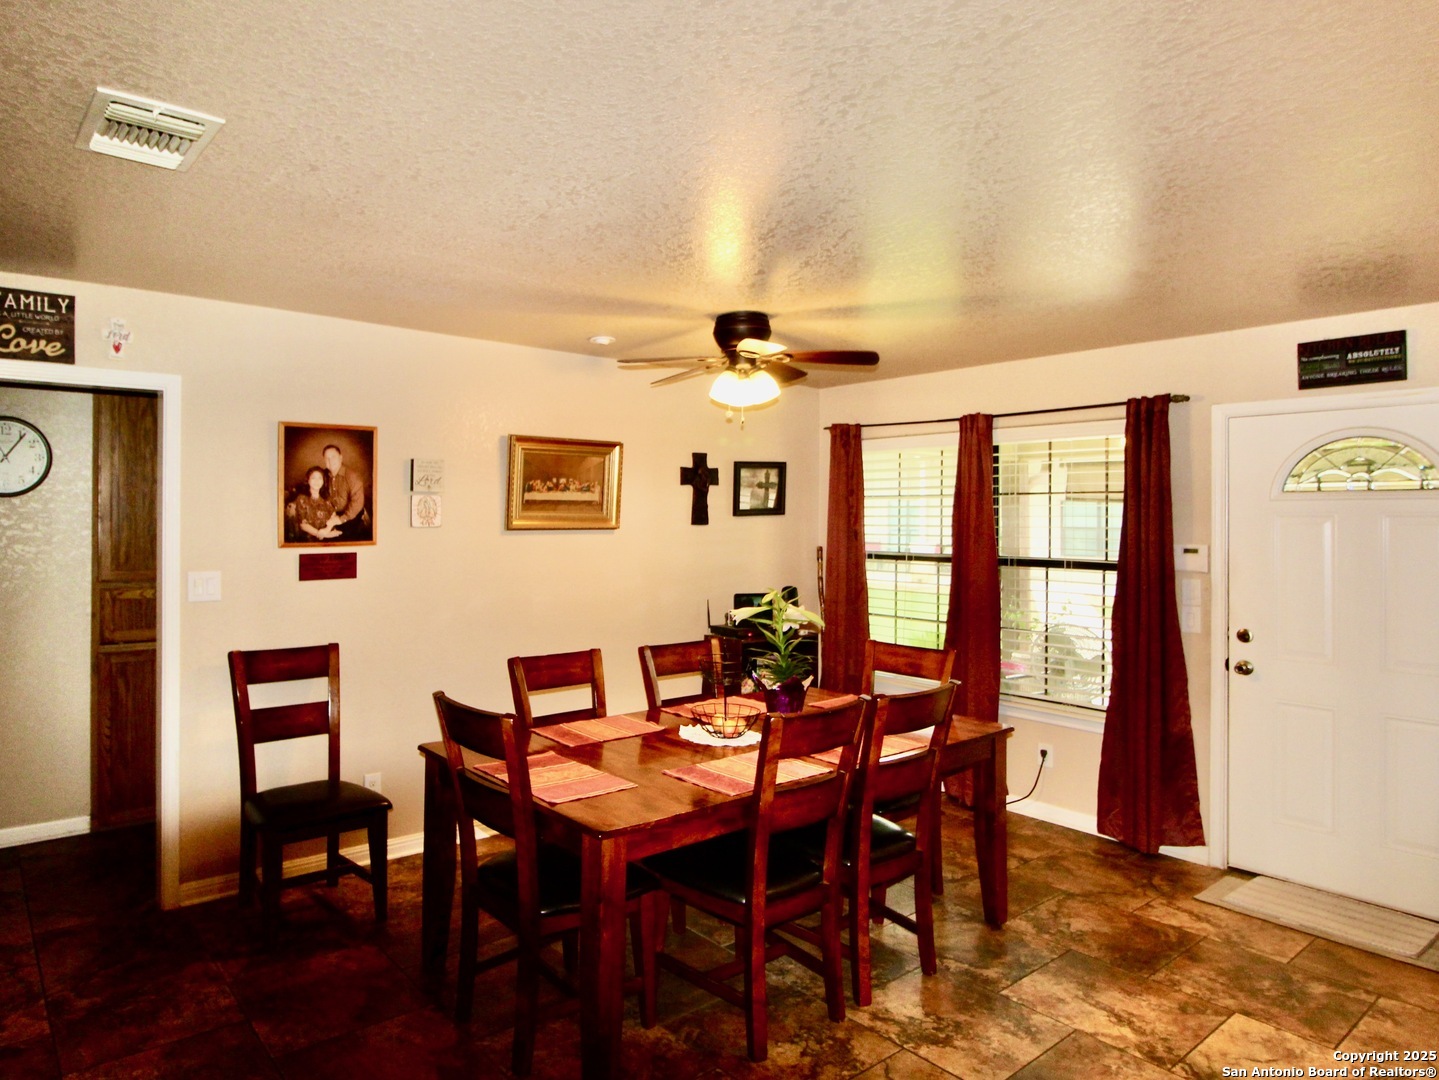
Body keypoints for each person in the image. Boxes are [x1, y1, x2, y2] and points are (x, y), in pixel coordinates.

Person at [322, 443, 370, 540]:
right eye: (327, 458)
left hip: (351, 516)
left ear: (341, 458)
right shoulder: (323, 475)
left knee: (342, 541)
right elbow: (310, 486)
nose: (330, 461)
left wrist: (340, 519)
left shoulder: (352, 476)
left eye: (333, 457)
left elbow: (357, 503)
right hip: (332, 515)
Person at [293, 466, 340, 540]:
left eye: (320, 478)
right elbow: (303, 525)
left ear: (323, 481)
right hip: (310, 539)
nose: (317, 481)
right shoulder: (302, 498)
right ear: (308, 480)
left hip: (329, 535)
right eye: (313, 478)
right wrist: (323, 535)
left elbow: (333, 516)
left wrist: (326, 530)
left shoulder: (326, 498)